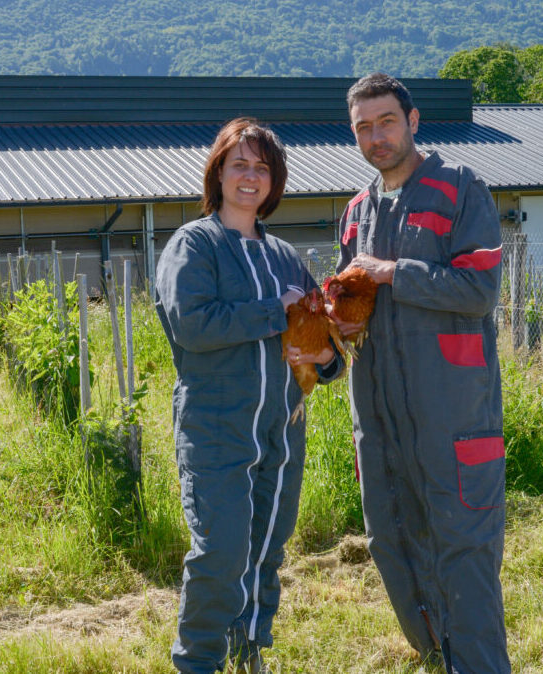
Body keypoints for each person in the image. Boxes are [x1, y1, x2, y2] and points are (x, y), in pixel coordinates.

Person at [329, 73, 509, 673]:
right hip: (379, 419)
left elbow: (479, 290)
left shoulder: (460, 189)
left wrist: (392, 272)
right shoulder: (355, 212)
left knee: (463, 550)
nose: (376, 137)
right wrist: (337, 322)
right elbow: (354, 308)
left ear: (412, 120)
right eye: (363, 128)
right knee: (391, 542)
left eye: (386, 122)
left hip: (451, 417)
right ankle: (436, 654)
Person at [155, 117, 341, 674]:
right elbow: (192, 325)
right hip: (217, 425)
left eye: (262, 167)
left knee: (265, 549)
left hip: (282, 428)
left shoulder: (285, 256)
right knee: (221, 552)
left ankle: (248, 649)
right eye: (239, 164)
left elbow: (322, 332)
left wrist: (327, 358)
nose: (250, 176)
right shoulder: (195, 245)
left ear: (274, 180)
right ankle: (198, 662)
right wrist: (273, 312)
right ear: (218, 172)